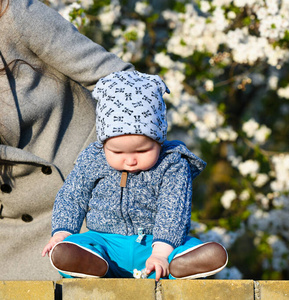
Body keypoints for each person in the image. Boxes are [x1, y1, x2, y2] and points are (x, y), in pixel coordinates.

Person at [41, 70, 228, 281]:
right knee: (79, 245)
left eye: (142, 151)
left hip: (156, 245)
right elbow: (73, 195)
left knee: (186, 245)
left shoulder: (172, 164)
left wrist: (161, 253)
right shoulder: (93, 158)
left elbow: (174, 210)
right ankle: (89, 265)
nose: (130, 160)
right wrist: (62, 232)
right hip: (106, 242)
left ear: (159, 140)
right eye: (117, 152)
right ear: (103, 144)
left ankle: (178, 266)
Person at [0, 0, 134, 280]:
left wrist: (110, 171)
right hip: (12, 236)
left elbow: (123, 86)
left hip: (88, 212)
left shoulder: (17, 15)